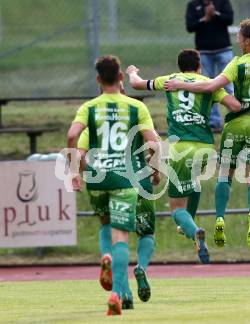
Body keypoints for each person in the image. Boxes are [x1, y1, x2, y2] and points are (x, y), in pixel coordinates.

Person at [165, 18, 250, 248]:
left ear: (246, 41)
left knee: (225, 174)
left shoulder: (237, 63)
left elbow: (211, 86)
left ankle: (220, 218)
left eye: (239, 37)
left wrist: (181, 85)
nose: (237, 40)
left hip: (235, 124)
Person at [125, 49, 241, 263]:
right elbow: (235, 105)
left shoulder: (170, 80)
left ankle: (192, 229)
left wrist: (132, 72)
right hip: (205, 146)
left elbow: (138, 84)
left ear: (179, 66)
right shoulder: (209, 83)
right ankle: (189, 227)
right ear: (199, 66)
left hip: (180, 148)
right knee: (193, 181)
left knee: (176, 208)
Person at [67, 55, 161, 316]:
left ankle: (106, 258)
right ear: (121, 79)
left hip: (98, 178)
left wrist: (76, 171)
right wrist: (156, 169)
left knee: (106, 226)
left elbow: (74, 136)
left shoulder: (90, 109)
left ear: (98, 79)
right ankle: (119, 293)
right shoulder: (135, 108)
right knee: (127, 235)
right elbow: (154, 143)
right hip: (128, 179)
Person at [186, 0, 234, 130]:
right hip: (204, 52)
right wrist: (205, 18)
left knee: (229, 84)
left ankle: (236, 116)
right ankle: (214, 121)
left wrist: (215, 13)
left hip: (224, 49)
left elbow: (229, 19)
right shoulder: (193, 5)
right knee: (207, 86)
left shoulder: (222, 3)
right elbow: (190, 26)